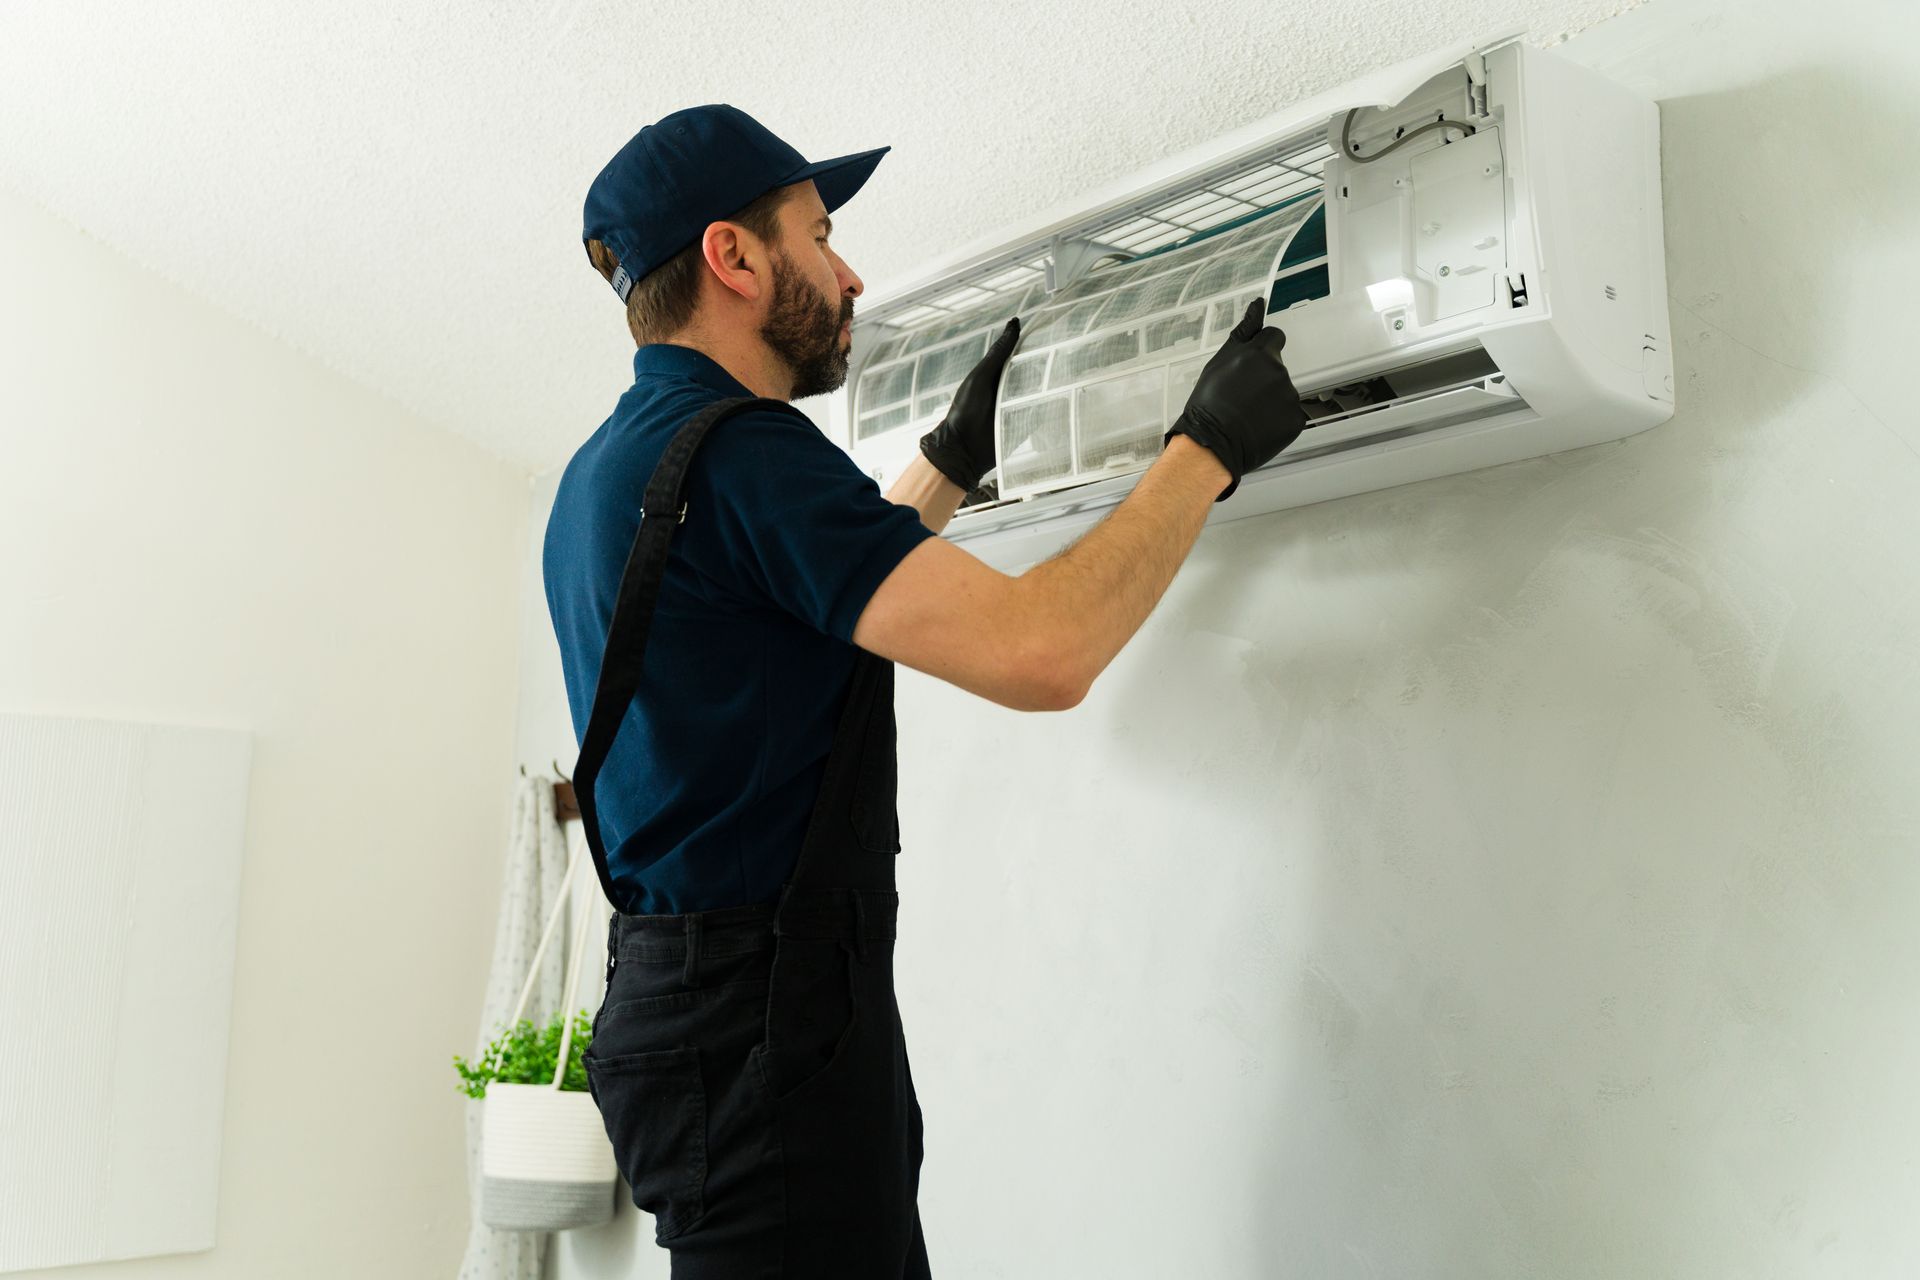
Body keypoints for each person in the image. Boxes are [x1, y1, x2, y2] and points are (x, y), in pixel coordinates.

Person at [543, 103, 1307, 1278]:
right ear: (732, 257)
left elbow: (790, 612)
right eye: (818, 232)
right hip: (772, 1032)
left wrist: (945, 467)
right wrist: (1205, 448)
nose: (850, 274)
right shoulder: (747, 452)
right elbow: (1045, 651)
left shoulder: (606, 475)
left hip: (689, 1012)